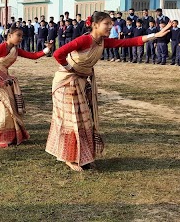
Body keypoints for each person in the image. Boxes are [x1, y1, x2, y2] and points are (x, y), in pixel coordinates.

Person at [46, 11, 171, 172]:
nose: (110, 26)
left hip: (80, 82)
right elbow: (58, 54)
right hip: (65, 83)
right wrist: (72, 69)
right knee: (72, 121)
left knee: (84, 120)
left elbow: (127, 42)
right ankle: (69, 158)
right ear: (95, 25)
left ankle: (81, 156)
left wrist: (155, 35)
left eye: (111, 23)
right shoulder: (85, 40)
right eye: (107, 24)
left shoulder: (102, 42)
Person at [0, 27, 51, 147]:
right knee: (0, 110)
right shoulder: (1, 47)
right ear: (10, 35)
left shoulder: (15, 50)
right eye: (19, 35)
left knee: (9, 108)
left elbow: (33, 56)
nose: (21, 38)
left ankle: (9, 136)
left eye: (22, 36)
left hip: (4, 80)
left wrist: (47, 49)